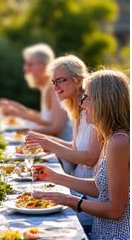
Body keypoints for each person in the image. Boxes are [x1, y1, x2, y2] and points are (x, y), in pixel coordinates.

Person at [31, 70, 130, 239]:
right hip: (102, 232)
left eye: (86, 97)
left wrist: (69, 200)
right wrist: (55, 177)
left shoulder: (119, 142)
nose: (82, 104)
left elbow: (115, 210)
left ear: (103, 101)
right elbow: (102, 188)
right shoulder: (111, 137)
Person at [25, 55, 103, 233]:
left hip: (88, 198)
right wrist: (44, 140)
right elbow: (76, 147)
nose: (55, 87)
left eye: (60, 81)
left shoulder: (94, 112)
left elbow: (89, 158)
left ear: (77, 81)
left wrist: (50, 144)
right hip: (76, 188)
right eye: (53, 82)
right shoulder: (77, 110)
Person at [0, 43, 72, 141]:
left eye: (30, 64)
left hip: (65, 150)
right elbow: (46, 120)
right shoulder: (46, 87)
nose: (25, 69)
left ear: (45, 65)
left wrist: (20, 131)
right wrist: (20, 110)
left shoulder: (54, 88)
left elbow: (56, 129)